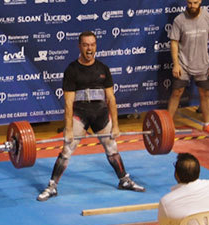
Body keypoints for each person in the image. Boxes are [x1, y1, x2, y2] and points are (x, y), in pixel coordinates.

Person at [36, 31, 145, 201]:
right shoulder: (72, 70)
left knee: (112, 147)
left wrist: (116, 126)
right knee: (67, 149)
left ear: (96, 46)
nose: (89, 48)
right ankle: (52, 186)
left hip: (101, 114)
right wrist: (68, 129)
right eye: (86, 45)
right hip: (80, 114)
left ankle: (124, 180)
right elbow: (68, 102)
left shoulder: (103, 69)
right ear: (79, 46)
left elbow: (111, 98)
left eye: (92, 45)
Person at [167, 0, 209, 135]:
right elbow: (174, 42)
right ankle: (168, 125)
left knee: (205, 94)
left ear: (200, 1)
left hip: (203, 64)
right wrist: (176, 64)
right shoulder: (179, 20)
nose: (192, 6)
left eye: (195, 3)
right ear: (186, 1)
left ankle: (207, 124)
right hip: (183, 64)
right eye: (190, 3)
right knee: (176, 92)